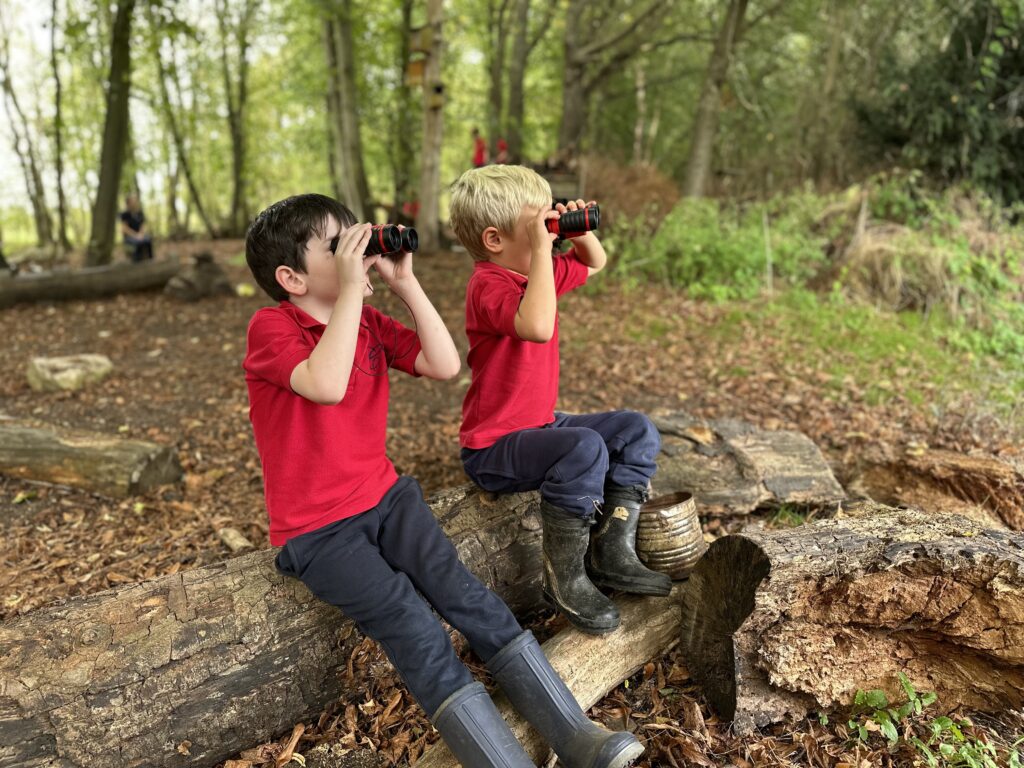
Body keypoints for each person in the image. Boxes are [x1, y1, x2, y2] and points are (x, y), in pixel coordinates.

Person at [242, 193, 642, 768]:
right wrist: (354, 289)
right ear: (292, 277)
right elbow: (324, 384)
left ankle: (575, 737)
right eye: (337, 245)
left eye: (358, 236)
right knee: (412, 625)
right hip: (320, 531)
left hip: (385, 497)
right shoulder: (271, 327)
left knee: (466, 594)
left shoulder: (368, 320)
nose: (357, 249)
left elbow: (443, 364)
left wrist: (404, 284)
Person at [450, 165, 671, 637]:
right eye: (538, 227)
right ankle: (564, 579)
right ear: (494, 240)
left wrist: (578, 231)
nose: (548, 235)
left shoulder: (534, 271)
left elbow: (594, 263)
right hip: (493, 446)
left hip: (539, 426)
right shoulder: (488, 285)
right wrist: (546, 250)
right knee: (585, 447)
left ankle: (613, 551)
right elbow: (537, 325)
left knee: (634, 428)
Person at [119, 194, 153, 262]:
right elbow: (124, 228)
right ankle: (137, 262)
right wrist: (135, 235)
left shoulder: (140, 213)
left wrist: (140, 234)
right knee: (137, 243)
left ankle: (151, 260)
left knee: (148, 240)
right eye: (132, 201)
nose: (135, 203)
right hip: (130, 237)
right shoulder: (125, 214)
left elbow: (143, 226)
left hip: (140, 235)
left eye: (135, 201)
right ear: (128, 203)